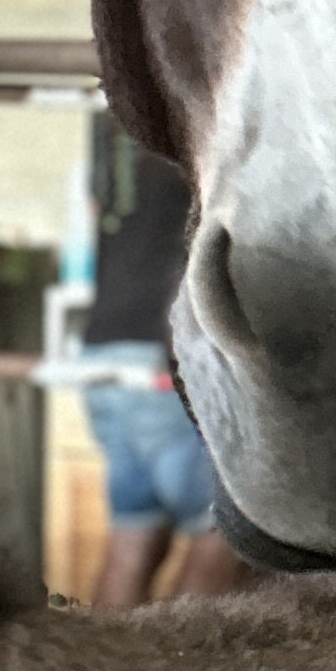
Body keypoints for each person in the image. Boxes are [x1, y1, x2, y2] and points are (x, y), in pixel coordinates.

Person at [79, 124, 243, 608]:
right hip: (162, 361)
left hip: (102, 355)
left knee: (130, 543)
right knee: (221, 540)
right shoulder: (189, 111)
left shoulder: (109, 128)